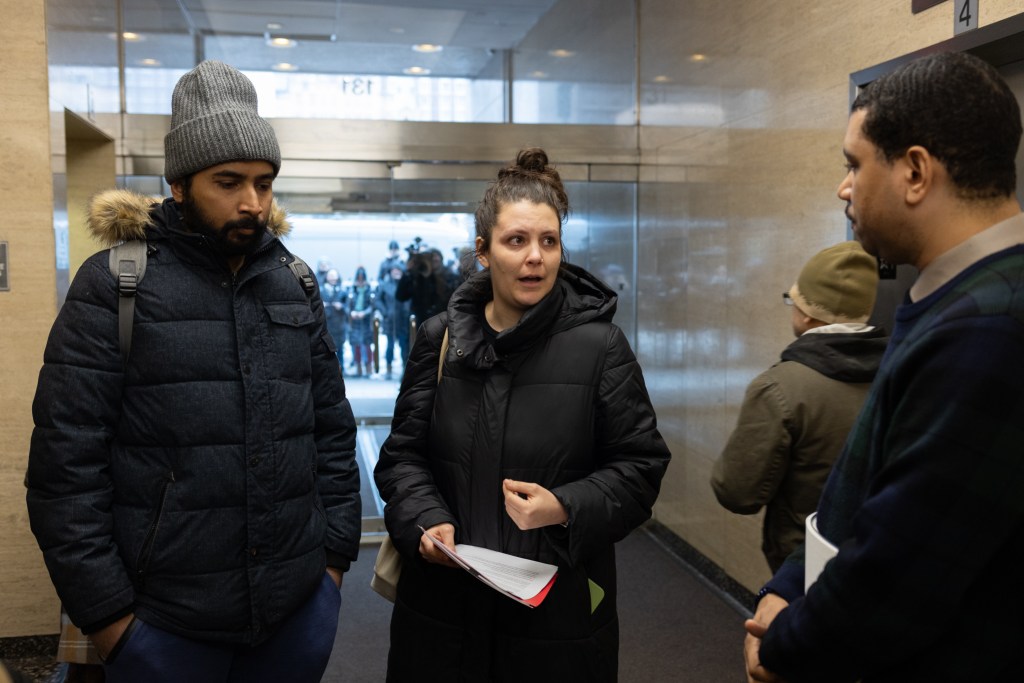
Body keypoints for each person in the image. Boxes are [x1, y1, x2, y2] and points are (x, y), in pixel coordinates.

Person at [25, 60, 361, 683]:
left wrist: (332, 568)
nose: (252, 203)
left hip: (294, 613)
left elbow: (332, 433)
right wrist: (111, 621)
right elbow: (64, 469)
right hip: (163, 626)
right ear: (178, 184)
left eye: (264, 183)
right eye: (228, 182)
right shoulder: (115, 286)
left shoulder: (294, 282)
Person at [744, 51, 1024, 683]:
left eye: (854, 164)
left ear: (915, 172)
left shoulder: (991, 328)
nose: (844, 188)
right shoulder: (953, 295)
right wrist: (789, 583)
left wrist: (783, 647)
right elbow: (862, 485)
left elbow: (902, 574)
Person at [374, 148, 672, 681]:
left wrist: (565, 506)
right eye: (516, 240)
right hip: (443, 614)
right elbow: (402, 458)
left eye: (548, 241)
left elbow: (640, 468)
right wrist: (425, 518)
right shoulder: (439, 340)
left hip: (556, 619)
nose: (536, 256)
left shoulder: (601, 347)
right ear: (483, 252)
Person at [711, 241, 888, 572]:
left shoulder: (780, 387)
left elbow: (737, 493)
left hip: (803, 562)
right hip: (880, 551)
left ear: (806, 313)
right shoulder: (901, 373)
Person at [395, 242, 456, 332]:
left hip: (442, 326)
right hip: (420, 326)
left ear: (441, 259)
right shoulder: (418, 277)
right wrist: (408, 271)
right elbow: (400, 296)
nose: (433, 260)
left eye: (435, 257)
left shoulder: (449, 277)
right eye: (430, 258)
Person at [375, 265, 411, 379]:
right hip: (390, 320)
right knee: (390, 346)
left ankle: (405, 369)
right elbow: (377, 300)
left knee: (404, 346)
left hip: (404, 320)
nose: (396, 272)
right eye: (394, 270)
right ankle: (388, 369)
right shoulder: (384, 285)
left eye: (398, 270)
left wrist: (409, 311)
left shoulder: (406, 284)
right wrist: (385, 312)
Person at [347, 265, 376, 377]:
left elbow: (372, 306)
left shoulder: (369, 290)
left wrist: (364, 313)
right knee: (356, 344)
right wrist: (352, 313)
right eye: (358, 279)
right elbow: (347, 306)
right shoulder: (352, 290)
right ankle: (358, 367)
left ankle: (369, 368)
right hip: (354, 321)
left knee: (367, 344)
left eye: (362, 279)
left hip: (366, 321)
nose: (360, 281)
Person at [321, 267, 348, 371]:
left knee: (340, 348)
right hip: (326, 324)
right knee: (326, 348)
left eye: (334, 276)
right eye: (330, 276)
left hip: (339, 324)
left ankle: (341, 369)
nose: (332, 278)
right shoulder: (321, 290)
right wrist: (321, 305)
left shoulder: (342, 291)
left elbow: (348, 307)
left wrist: (342, 306)